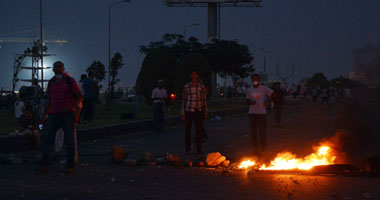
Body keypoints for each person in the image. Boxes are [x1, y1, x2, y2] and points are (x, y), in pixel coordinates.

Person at [38, 61, 82, 174]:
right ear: (53, 69)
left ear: (63, 68)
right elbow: (49, 101)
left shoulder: (69, 81)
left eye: (60, 66)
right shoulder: (51, 82)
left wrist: (70, 108)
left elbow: (79, 97)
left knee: (69, 140)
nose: (57, 68)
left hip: (67, 114)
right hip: (53, 114)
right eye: (55, 67)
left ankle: (69, 165)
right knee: (46, 137)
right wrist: (44, 116)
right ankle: (45, 164)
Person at [246, 74, 274, 154]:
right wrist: (251, 102)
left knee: (262, 131)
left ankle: (263, 147)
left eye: (256, 79)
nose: (255, 80)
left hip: (261, 113)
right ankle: (255, 148)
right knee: (253, 132)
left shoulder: (263, 88)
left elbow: (273, 94)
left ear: (259, 80)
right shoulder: (249, 90)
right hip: (252, 113)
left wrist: (268, 101)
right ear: (251, 80)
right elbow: (247, 101)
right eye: (253, 79)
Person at [182, 70, 208, 155]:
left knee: (199, 130)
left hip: (198, 110)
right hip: (189, 110)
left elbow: (204, 99)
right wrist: (183, 112)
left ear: (197, 77)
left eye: (195, 75)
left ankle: (199, 149)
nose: (194, 77)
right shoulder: (187, 86)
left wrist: (206, 111)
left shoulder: (201, 86)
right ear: (190, 76)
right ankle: (188, 148)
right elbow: (184, 100)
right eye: (192, 75)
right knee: (188, 130)